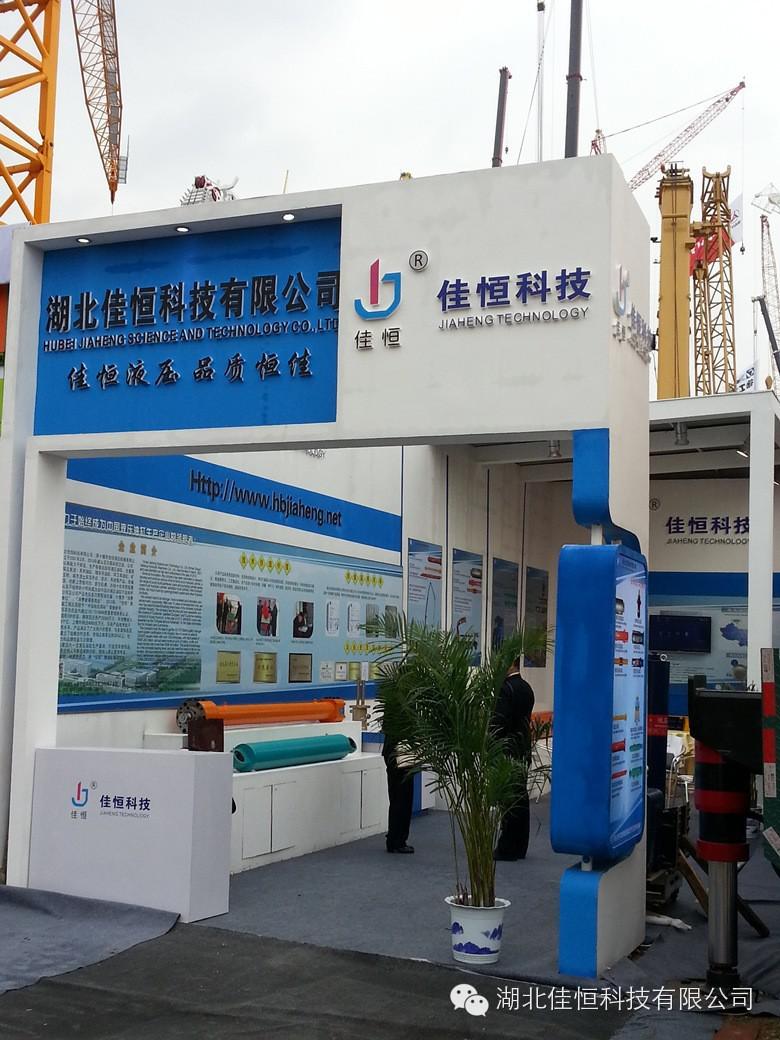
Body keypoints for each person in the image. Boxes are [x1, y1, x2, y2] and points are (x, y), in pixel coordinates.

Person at [492, 655, 535, 861]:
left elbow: (499, 723)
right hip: (522, 748)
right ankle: (520, 846)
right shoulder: (526, 687)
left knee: (509, 799)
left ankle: (507, 847)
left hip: (508, 750)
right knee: (520, 797)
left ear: (511, 663)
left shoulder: (505, 689)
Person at [381, 733, 415, 854]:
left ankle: (394, 839)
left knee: (397, 799)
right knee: (403, 800)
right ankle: (398, 841)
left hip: (394, 755)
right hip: (401, 756)